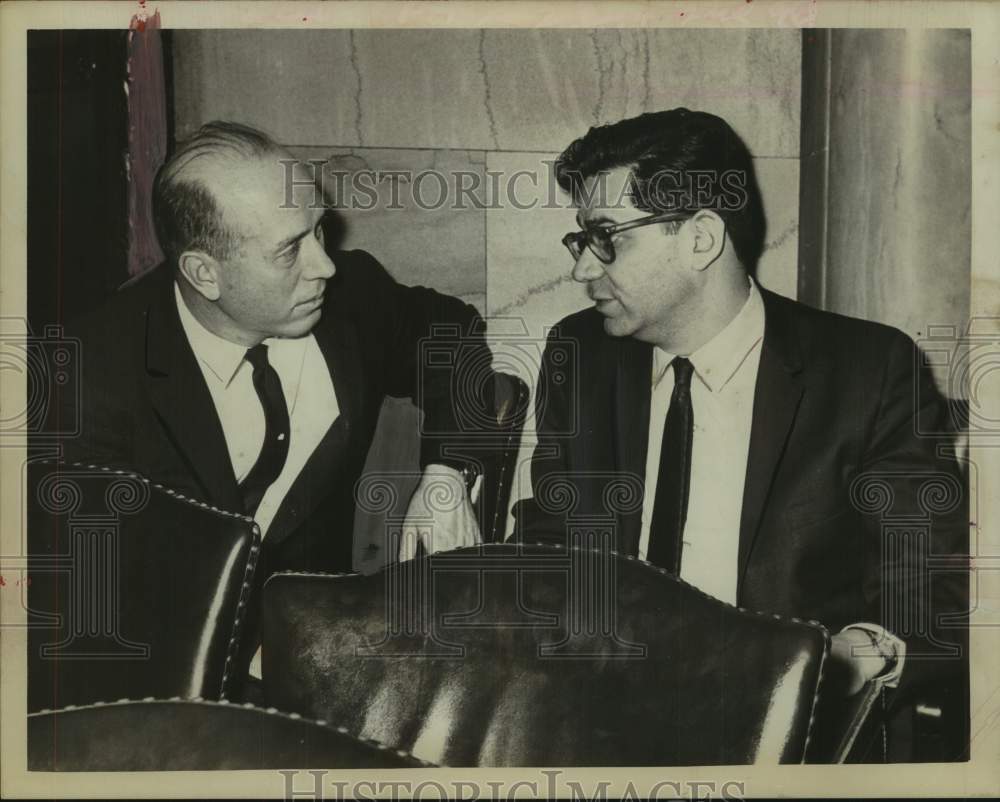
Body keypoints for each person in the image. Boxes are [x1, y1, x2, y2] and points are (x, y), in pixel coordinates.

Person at [512, 109, 968, 749]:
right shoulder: (578, 354)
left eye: (608, 237)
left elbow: (930, 593)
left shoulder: (870, 370)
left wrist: (859, 655)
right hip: (601, 725)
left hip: (790, 739)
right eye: (581, 240)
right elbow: (547, 547)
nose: (584, 270)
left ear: (701, 237)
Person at [56, 121, 487, 687]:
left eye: (318, 231)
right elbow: (88, 600)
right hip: (171, 689)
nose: (324, 265)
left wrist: (446, 472)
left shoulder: (349, 297)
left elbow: (452, 333)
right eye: (290, 250)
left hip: (332, 660)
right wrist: (236, 660)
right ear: (203, 273)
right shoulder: (89, 374)